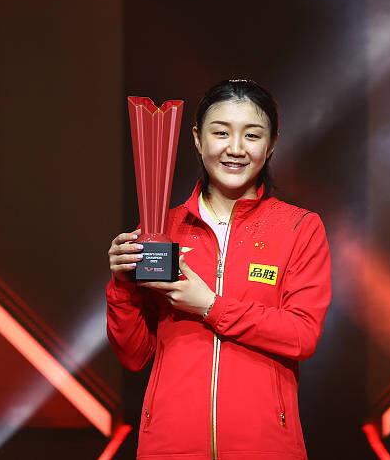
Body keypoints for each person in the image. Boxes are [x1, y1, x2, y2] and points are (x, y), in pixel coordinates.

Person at [106, 79, 332, 460]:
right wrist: (122, 285)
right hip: (169, 448)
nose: (236, 148)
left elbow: (302, 335)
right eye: (221, 132)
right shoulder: (162, 228)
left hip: (265, 449)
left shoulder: (299, 228)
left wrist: (210, 305)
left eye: (252, 135)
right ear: (197, 138)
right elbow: (134, 354)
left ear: (272, 143)